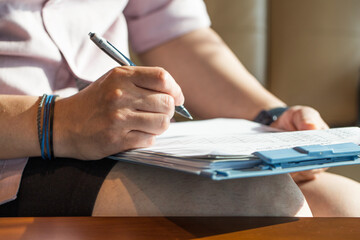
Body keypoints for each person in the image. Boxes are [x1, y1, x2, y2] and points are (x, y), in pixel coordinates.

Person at [0, 0, 358, 217]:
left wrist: (271, 117)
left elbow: (172, 32)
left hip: (116, 147)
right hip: (14, 154)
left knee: (347, 206)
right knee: (261, 203)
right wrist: (57, 122)